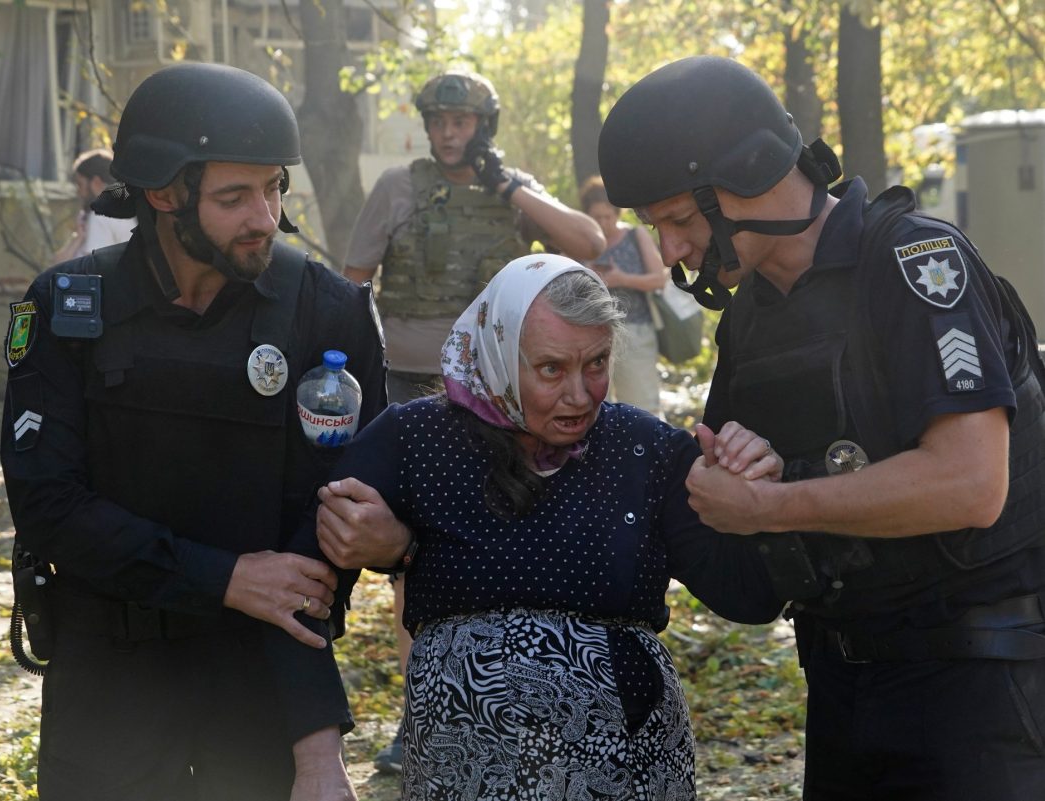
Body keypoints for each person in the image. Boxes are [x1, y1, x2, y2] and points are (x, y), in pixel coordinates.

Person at [598, 55, 1045, 801]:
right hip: (844, 684)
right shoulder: (752, 317)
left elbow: (971, 483)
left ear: (752, 174)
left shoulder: (914, 264)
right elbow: (744, 556)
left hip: (979, 685)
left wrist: (772, 504)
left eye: (679, 220)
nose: (671, 250)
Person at [1, 62, 386, 801]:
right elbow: (48, 505)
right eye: (235, 196)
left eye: (275, 187)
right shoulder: (66, 308)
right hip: (107, 673)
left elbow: (335, 514)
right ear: (164, 195)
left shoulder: (324, 311)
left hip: (258, 675)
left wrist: (316, 742)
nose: (265, 218)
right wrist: (228, 577)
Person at [311, 253, 786, 800]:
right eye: (551, 369)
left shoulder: (647, 449)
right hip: (470, 770)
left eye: (597, 363)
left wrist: (761, 500)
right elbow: (307, 586)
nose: (581, 395)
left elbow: (750, 596)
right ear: (497, 354)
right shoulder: (415, 439)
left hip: (627, 763)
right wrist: (320, 755)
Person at [343, 69, 604, 773]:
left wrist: (510, 188)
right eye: (439, 120)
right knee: (415, 561)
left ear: (482, 125)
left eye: (461, 120)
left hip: (494, 398)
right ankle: (420, 716)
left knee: (504, 548)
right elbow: (352, 280)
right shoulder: (399, 185)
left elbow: (589, 243)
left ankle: (515, 699)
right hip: (408, 389)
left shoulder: (510, 188)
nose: (449, 131)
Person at [579, 175, 667, 415]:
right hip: (590, 337)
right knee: (595, 408)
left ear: (617, 213)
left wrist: (621, 279)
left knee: (642, 406)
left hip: (635, 332)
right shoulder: (580, 244)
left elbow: (659, 278)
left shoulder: (635, 236)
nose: (604, 222)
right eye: (597, 217)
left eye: (608, 216)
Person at [52, 148, 136, 262]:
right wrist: (78, 237)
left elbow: (92, 268)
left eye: (80, 184)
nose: (78, 192)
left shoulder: (101, 215)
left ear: (96, 183)